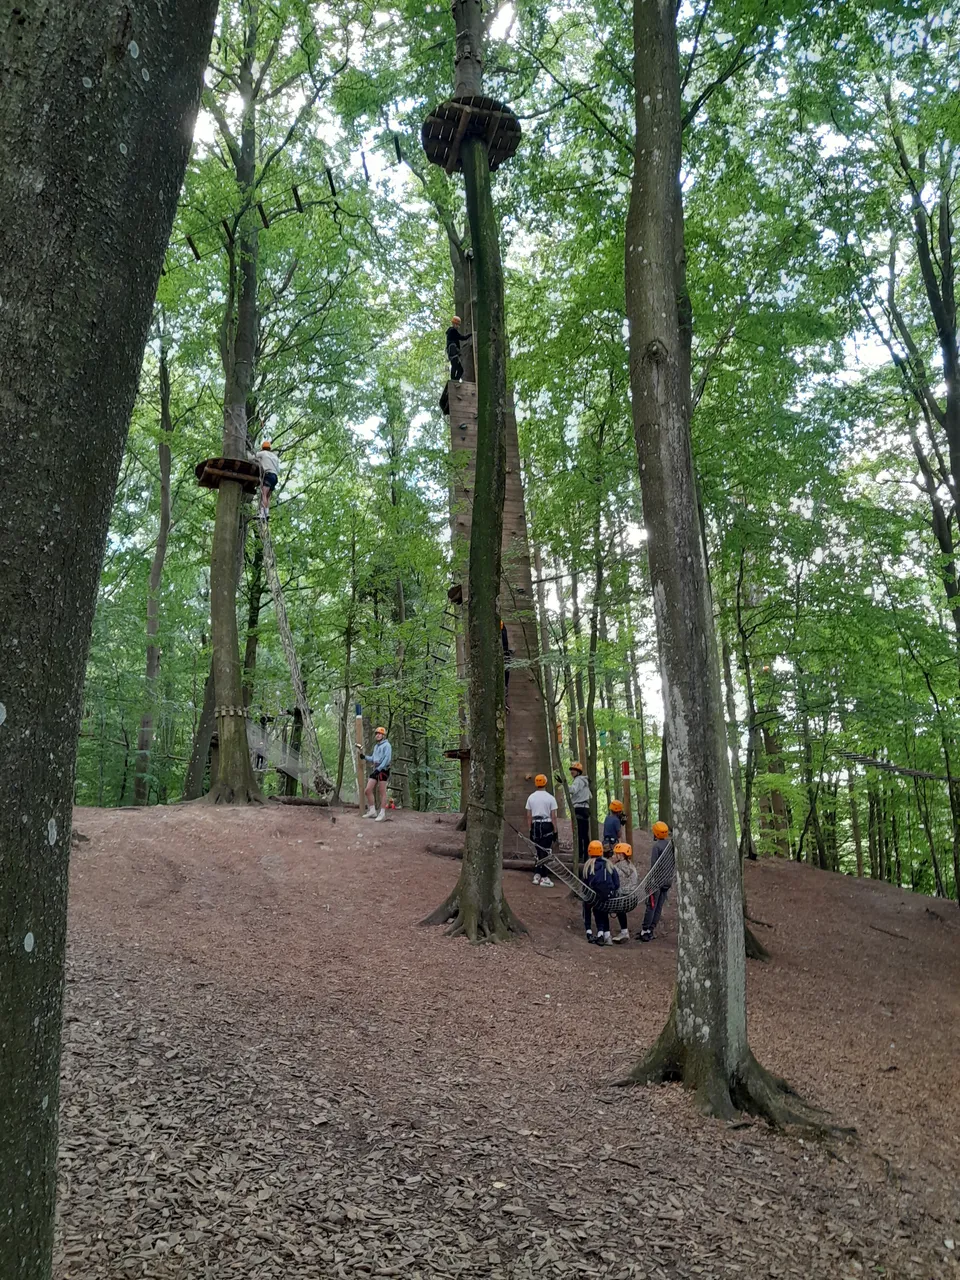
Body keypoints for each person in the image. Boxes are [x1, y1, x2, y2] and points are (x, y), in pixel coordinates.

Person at [639, 820, 673, 941]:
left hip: (657, 881)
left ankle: (645, 931)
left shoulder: (657, 847)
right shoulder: (670, 845)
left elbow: (654, 866)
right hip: (667, 881)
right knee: (658, 906)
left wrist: (649, 882)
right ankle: (651, 930)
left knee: (651, 905)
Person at [581, 839, 619, 945]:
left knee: (588, 904)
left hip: (594, 896)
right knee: (601, 908)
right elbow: (616, 883)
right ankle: (602, 933)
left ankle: (589, 931)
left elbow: (585, 884)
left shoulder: (588, 865)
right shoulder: (609, 864)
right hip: (608, 895)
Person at [525, 773, 557, 887]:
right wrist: (555, 831)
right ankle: (544, 877)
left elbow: (529, 815)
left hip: (535, 825)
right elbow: (553, 816)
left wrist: (530, 829)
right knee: (546, 851)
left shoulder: (531, 797)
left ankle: (537, 874)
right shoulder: (550, 798)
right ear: (545, 783)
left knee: (538, 851)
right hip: (546, 825)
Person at [358, 726, 392, 822]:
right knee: (368, 790)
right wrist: (365, 757)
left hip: (384, 769)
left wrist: (380, 768)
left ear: (383, 735)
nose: (377, 735)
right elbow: (374, 758)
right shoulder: (376, 746)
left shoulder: (387, 746)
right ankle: (372, 811)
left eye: (379, 734)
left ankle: (382, 813)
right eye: (376, 734)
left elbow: (387, 759)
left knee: (382, 791)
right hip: (376, 769)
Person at [566, 761, 591, 868]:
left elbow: (573, 790)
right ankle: (584, 855)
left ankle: (582, 856)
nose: (572, 771)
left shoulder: (578, 780)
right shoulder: (583, 781)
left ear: (578, 771)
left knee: (580, 834)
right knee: (584, 834)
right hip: (584, 808)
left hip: (579, 808)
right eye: (571, 770)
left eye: (574, 770)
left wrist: (564, 784)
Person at [610, 842, 636, 943]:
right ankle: (624, 931)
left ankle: (604, 932)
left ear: (620, 856)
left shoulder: (616, 868)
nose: (613, 856)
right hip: (632, 897)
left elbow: (614, 884)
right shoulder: (632, 867)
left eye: (615, 854)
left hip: (621, 898)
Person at [254, 439, 280, 518]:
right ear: (270, 448)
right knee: (268, 496)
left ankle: (262, 514)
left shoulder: (262, 453)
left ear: (263, 448)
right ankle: (267, 512)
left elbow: (253, 456)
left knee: (264, 494)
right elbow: (278, 469)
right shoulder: (275, 457)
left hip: (268, 475)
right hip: (275, 477)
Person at [446, 315, 472, 382]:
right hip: (453, 351)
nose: (458, 327)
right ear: (454, 324)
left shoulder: (451, 331)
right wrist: (471, 334)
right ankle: (453, 381)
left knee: (460, 369)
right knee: (455, 366)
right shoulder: (453, 331)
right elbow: (463, 338)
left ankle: (455, 381)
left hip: (452, 352)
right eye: (457, 325)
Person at [500, 619, 512, 711]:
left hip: (504, 653)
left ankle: (504, 691)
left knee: (506, 672)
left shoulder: (502, 625)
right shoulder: (501, 626)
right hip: (503, 653)